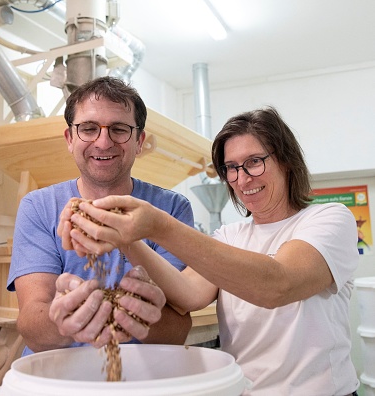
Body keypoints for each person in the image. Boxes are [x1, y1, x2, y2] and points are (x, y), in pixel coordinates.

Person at [60, 106, 360, 395]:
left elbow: (278, 284)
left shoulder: (329, 219)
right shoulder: (229, 236)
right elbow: (188, 293)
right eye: (231, 168)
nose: (242, 179)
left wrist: (157, 225)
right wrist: (126, 237)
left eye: (254, 161)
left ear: (286, 161)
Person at [7, 76, 194, 356]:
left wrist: (138, 315)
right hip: (59, 375)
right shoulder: (39, 206)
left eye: (119, 129)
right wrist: (64, 320)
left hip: (141, 374)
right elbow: (32, 325)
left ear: (139, 141)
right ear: (70, 139)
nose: (103, 142)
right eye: (89, 128)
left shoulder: (171, 209)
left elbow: (178, 329)